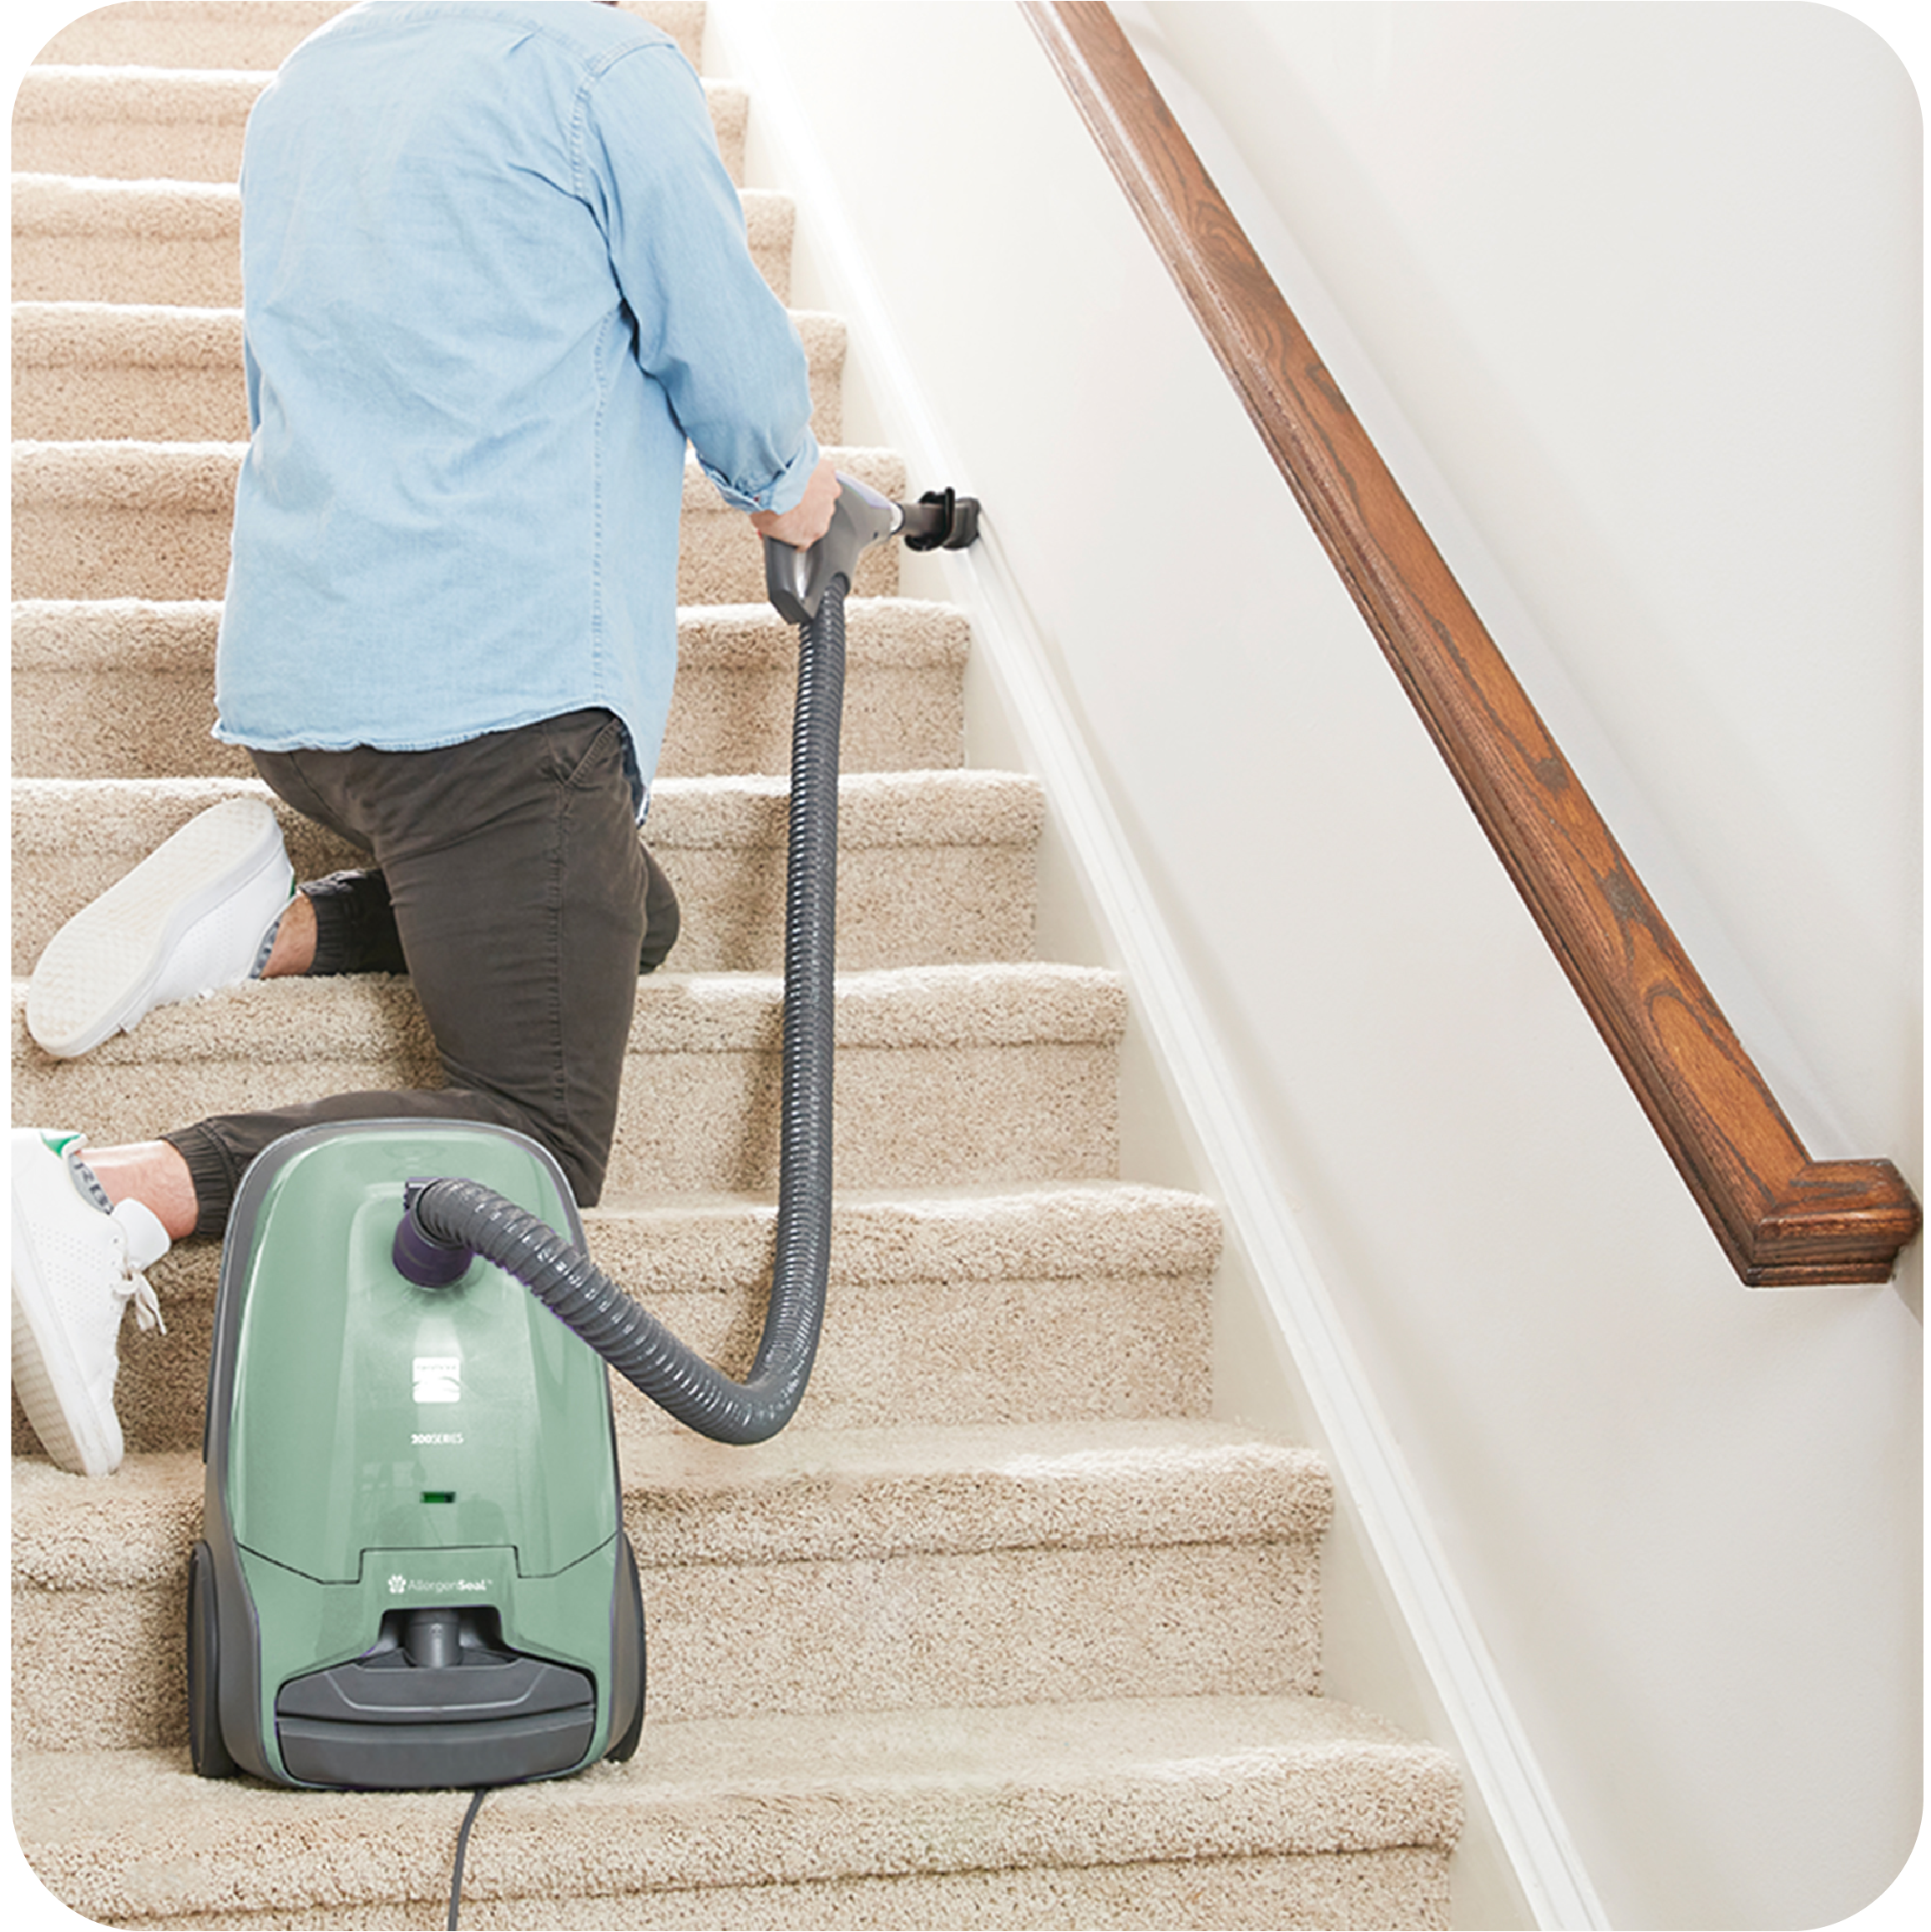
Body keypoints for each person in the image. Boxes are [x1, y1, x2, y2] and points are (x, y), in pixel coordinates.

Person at [11, 0, 840, 1478]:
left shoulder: (309, 80)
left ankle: (267, 926)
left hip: (307, 691)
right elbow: (720, 341)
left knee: (628, 913)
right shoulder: (606, 71)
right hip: (495, 711)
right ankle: (109, 1196)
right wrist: (799, 494)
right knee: (533, 1135)